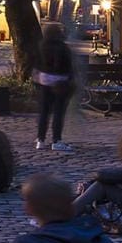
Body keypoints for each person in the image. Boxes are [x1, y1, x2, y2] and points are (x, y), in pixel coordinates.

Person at [34, 23, 76, 152]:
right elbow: (68, 66)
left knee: (44, 111)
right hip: (60, 82)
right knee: (58, 112)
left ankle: (40, 140)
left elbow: (36, 62)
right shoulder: (63, 47)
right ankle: (56, 140)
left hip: (44, 80)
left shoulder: (41, 46)